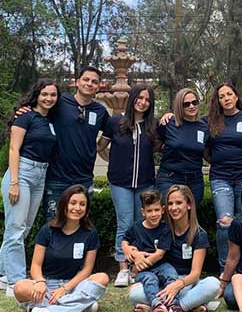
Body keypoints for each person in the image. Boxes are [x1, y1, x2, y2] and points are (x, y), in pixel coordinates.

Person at [13, 185, 109, 312]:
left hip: (74, 285)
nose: (77, 208)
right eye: (73, 203)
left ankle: (47, 311)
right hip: (47, 285)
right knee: (20, 287)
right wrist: (40, 282)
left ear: (87, 208)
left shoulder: (90, 233)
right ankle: (80, 306)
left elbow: (86, 270)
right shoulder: (48, 230)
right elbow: (36, 265)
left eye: (82, 204)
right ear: (64, 204)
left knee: (102, 278)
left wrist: (65, 289)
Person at [0, 79, 60, 295]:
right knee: (15, 228)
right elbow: (14, 150)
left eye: (53, 95)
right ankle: (17, 282)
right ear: (37, 94)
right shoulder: (25, 116)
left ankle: (3, 273)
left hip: (40, 175)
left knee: (22, 228)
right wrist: (14, 182)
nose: (49, 98)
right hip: (22, 173)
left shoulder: (50, 120)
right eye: (45, 94)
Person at [128, 185, 220, 312]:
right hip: (163, 282)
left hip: (186, 283)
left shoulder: (199, 235)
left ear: (189, 205)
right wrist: (134, 253)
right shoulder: (162, 229)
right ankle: (185, 307)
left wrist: (177, 285)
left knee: (213, 284)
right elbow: (139, 245)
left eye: (178, 203)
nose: (173, 207)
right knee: (135, 294)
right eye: (170, 203)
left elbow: (195, 274)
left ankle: (161, 309)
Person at [97, 84, 157, 287]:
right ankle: (123, 269)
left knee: (142, 224)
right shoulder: (115, 122)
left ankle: (137, 267)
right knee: (124, 223)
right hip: (120, 182)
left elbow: (162, 147)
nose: (143, 102)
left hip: (145, 182)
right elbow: (100, 146)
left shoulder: (152, 126)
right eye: (140, 98)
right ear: (132, 99)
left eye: (147, 100)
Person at [42, 67, 109, 220]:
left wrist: (99, 146)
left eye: (94, 82)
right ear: (77, 82)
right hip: (57, 178)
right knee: (53, 224)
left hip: (84, 179)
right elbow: (38, 110)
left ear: (98, 87)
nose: (89, 84)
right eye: (86, 79)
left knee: (80, 225)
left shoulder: (100, 111)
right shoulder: (59, 102)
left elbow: (111, 131)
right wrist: (23, 110)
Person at [206, 82, 242, 271]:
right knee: (225, 222)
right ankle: (225, 270)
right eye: (221, 96)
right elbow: (204, 149)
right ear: (217, 101)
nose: (226, 98)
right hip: (221, 177)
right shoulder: (210, 121)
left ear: (236, 96)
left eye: (229, 94)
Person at [122, 190, 183, 312]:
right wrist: (127, 249)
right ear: (143, 212)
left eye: (156, 210)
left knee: (171, 275)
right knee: (150, 280)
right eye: (149, 211)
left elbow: (159, 254)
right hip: (145, 272)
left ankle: (174, 306)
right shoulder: (136, 227)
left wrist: (140, 263)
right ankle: (157, 305)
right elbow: (124, 240)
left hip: (161, 264)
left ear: (162, 210)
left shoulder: (165, 228)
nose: (154, 214)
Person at [156, 89, 208, 208]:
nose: (191, 106)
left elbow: (206, 151)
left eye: (194, 102)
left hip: (195, 181)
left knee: (190, 219)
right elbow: (155, 144)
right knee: (170, 217)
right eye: (186, 104)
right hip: (169, 178)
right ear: (180, 106)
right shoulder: (169, 123)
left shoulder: (204, 127)